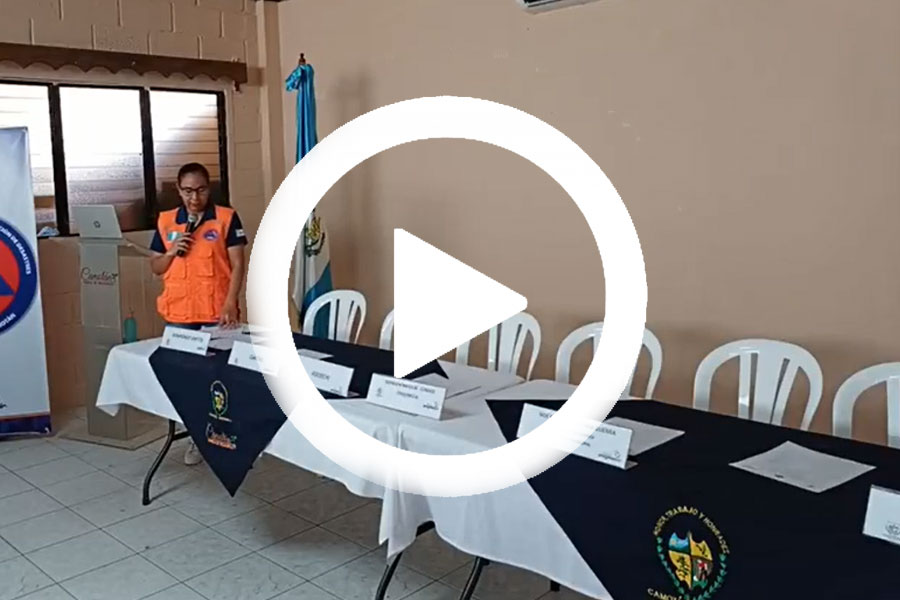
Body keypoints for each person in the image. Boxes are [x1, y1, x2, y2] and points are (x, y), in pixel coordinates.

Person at [149, 163, 248, 465]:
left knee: (221, 378)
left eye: (201, 190)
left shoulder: (225, 218)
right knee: (184, 379)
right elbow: (156, 267)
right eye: (188, 191)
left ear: (209, 188)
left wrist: (231, 302)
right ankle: (195, 435)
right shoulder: (167, 221)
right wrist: (170, 251)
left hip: (217, 314)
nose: (195, 197)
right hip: (179, 316)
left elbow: (238, 264)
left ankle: (227, 435)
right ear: (178, 190)